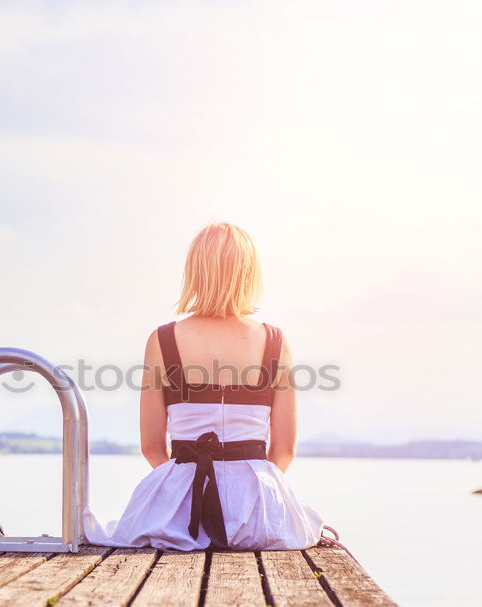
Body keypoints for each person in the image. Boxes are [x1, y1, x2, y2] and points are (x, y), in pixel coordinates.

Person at [83, 222, 329, 551]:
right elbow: (283, 451)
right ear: (249, 273)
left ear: (195, 271)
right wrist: (247, 498)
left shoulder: (163, 340)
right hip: (257, 518)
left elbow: (151, 447)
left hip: (178, 517)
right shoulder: (275, 342)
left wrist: (183, 493)